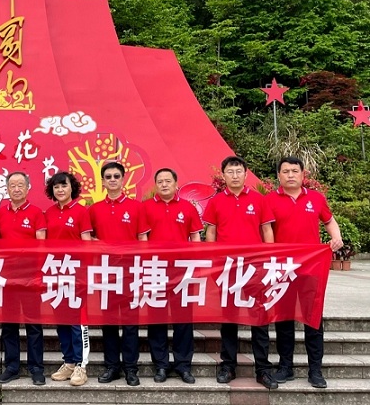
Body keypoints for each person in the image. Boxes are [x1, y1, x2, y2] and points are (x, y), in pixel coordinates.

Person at [266, 156, 343, 389]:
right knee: (284, 319)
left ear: (302, 174)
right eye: (285, 171)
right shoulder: (269, 200)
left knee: (313, 319)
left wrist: (336, 237)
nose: (290, 175)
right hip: (283, 269)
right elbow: (266, 230)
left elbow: (329, 221)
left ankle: (315, 370)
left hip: (311, 268)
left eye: (294, 171)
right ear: (278, 175)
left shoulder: (316, 198)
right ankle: (285, 367)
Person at [203, 156, 277, 390]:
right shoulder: (215, 201)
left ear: (246, 174)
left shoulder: (259, 199)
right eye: (230, 172)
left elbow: (267, 231)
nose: (234, 176)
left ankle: (263, 370)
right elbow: (211, 233)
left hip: (255, 269)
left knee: (260, 320)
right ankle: (228, 366)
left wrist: (268, 261)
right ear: (223, 175)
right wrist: (213, 263)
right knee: (229, 320)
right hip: (227, 268)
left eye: (238, 171)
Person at [140, 168, 202, 385]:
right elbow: (142, 239)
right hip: (155, 270)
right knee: (156, 319)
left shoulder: (188, 207)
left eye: (168, 181)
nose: (164, 184)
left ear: (176, 184)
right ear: (155, 185)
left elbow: (195, 237)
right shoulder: (145, 207)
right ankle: (161, 365)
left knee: (183, 320)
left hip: (182, 271)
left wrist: (196, 265)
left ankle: (183, 365)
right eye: (160, 181)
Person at [88, 162, 144, 387]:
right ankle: (111, 366)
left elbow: (143, 240)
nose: (112, 180)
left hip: (130, 272)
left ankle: (131, 368)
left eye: (116, 176)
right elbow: (87, 240)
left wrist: (141, 269)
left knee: (131, 323)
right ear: (103, 181)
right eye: (108, 176)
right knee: (108, 322)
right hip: (106, 272)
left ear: (123, 180)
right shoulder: (94, 209)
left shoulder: (136, 207)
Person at [0, 172, 47, 386]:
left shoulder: (36, 213)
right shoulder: (1, 213)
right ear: (7, 189)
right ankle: (12, 367)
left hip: (31, 277)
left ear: (28, 188)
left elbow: (42, 246)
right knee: (9, 325)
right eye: (12, 185)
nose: (16, 189)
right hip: (7, 278)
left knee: (34, 325)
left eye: (20, 185)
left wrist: (39, 274)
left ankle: (36, 368)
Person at [44, 172, 92, 387]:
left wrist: (86, 273)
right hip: (55, 272)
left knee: (77, 321)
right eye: (56, 187)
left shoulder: (81, 212)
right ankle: (69, 362)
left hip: (76, 273)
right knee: (61, 319)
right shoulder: (49, 213)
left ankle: (81, 365)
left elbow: (87, 243)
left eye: (64, 185)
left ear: (72, 187)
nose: (60, 190)